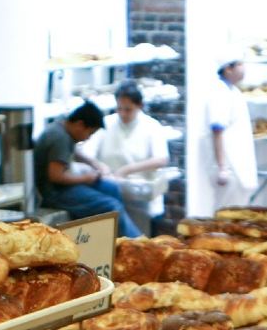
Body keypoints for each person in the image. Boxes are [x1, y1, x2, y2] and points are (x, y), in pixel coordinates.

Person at [34, 101, 141, 238]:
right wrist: (86, 178)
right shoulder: (60, 138)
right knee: (113, 207)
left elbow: (71, 152)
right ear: (79, 124)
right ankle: (137, 243)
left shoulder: (62, 125)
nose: (88, 138)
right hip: (55, 193)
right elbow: (55, 176)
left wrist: (93, 163)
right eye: (89, 133)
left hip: (62, 186)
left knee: (112, 188)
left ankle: (118, 241)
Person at [82, 81, 172, 234]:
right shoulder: (107, 123)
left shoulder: (151, 126)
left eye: (128, 110)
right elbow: (86, 151)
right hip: (111, 191)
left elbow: (161, 159)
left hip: (140, 196)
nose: (122, 114)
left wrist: (128, 169)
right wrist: (98, 166)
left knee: (139, 242)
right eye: (119, 108)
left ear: (140, 106)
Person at [204, 53, 258, 210]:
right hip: (230, 165)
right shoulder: (219, 93)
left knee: (239, 210)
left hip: (239, 163)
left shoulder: (233, 91)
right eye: (240, 64)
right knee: (226, 212)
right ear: (228, 69)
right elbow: (217, 130)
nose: (244, 68)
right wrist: (222, 168)